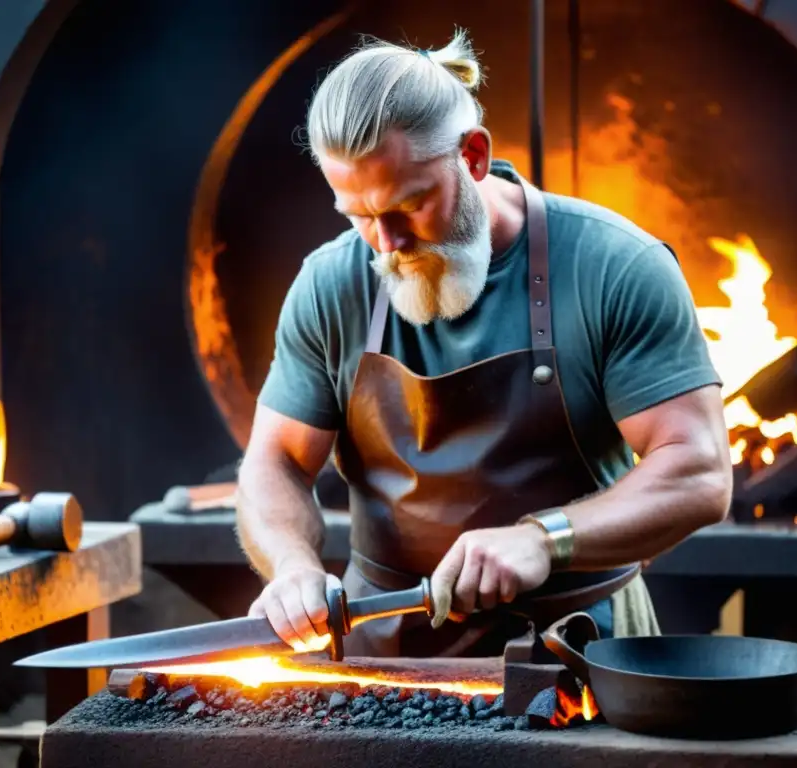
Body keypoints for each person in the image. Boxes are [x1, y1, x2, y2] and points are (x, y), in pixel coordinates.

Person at [234, 30, 732, 657]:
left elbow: (699, 472)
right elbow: (274, 460)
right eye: (358, 216)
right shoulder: (332, 283)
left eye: (409, 206)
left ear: (471, 156)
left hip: (586, 644)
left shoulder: (615, 266)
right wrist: (290, 566)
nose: (384, 244)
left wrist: (544, 540)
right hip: (385, 659)